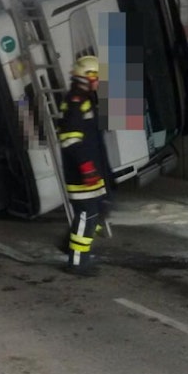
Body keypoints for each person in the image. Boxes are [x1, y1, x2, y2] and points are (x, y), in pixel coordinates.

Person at [57, 55, 111, 276]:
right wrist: (87, 168)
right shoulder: (76, 102)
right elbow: (71, 139)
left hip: (92, 172)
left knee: (100, 209)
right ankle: (78, 262)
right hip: (82, 175)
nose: (99, 82)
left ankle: (70, 244)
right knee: (87, 215)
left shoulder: (85, 99)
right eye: (96, 77)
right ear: (86, 78)